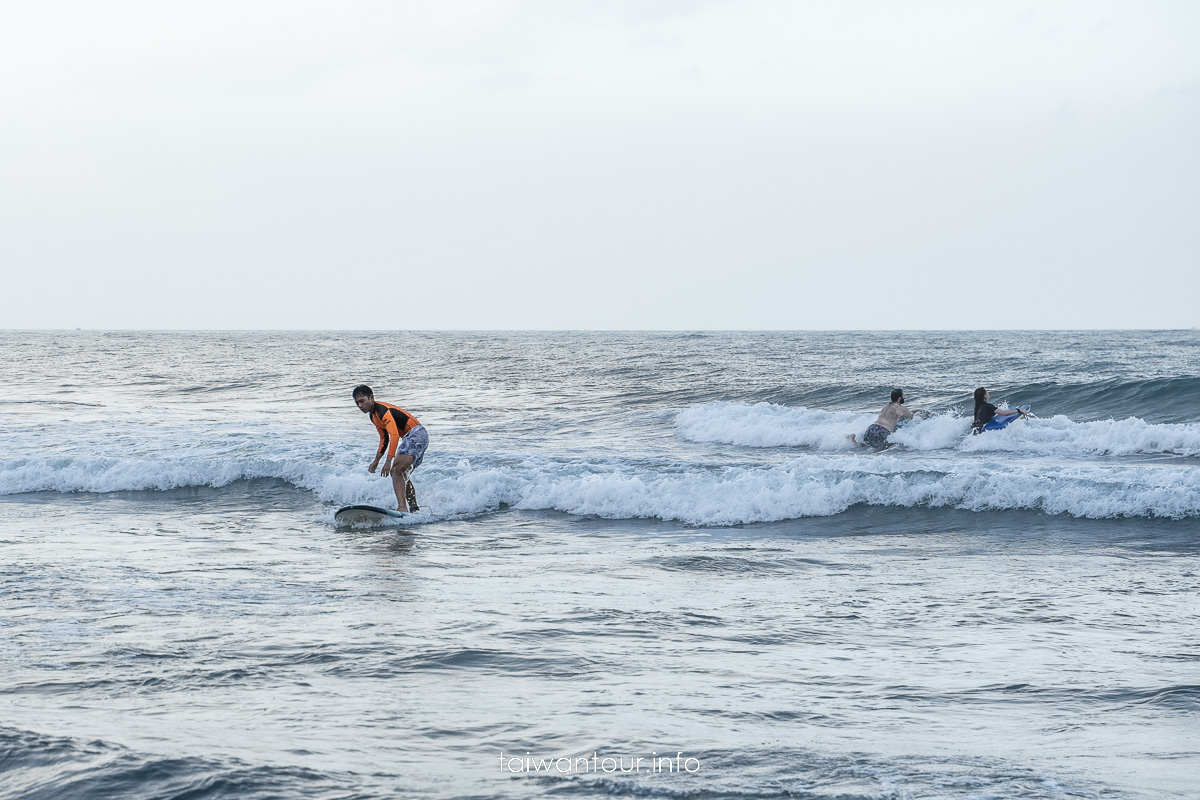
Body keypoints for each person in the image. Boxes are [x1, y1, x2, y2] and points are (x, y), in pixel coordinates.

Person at [353, 384, 428, 512]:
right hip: (409, 437)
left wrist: (388, 461)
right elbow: (384, 438)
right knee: (401, 473)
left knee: (396, 470)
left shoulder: (383, 411)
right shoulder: (373, 416)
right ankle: (414, 509)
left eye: (362, 401)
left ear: (371, 397)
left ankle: (402, 508)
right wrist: (376, 460)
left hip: (416, 434)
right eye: (357, 403)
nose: (360, 406)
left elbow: (394, 435)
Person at [847, 389, 928, 450]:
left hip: (872, 427)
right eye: (903, 396)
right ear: (900, 398)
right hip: (883, 430)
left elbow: (901, 413)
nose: (904, 398)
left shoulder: (886, 406)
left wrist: (916, 410)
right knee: (877, 451)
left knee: (864, 447)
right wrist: (926, 415)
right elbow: (913, 417)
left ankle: (852, 439)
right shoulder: (901, 408)